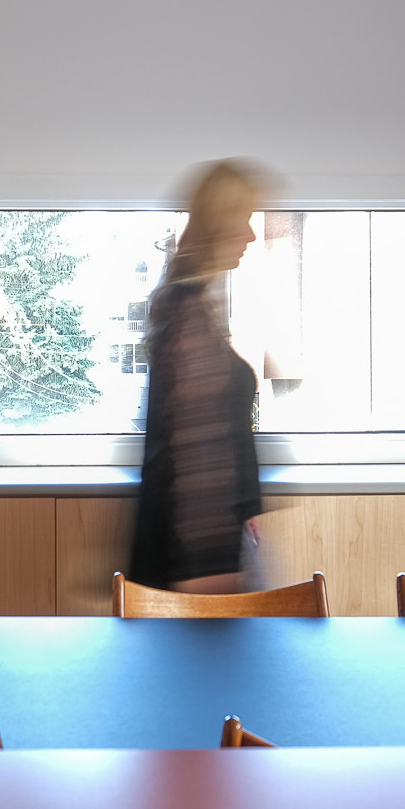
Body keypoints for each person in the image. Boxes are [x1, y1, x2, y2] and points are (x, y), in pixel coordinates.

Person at [127, 159, 268, 593]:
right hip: (200, 567)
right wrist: (212, 570)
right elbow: (197, 458)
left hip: (204, 560)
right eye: (243, 219)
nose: (251, 234)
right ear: (219, 223)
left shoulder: (189, 303)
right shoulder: (186, 312)